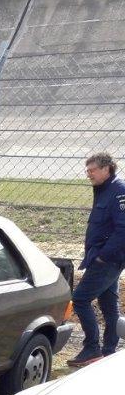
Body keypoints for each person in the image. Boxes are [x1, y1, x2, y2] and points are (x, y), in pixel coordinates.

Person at [67, 152, 125, 367]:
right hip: (105, 258)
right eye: (87, 170)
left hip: (108, 259)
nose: (88, 175)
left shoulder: (119, 190)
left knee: (80, 299)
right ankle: (109, 353)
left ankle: (92, 348)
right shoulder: (103, 189)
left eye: (92, 170)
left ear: (106, 169)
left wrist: (103, 256)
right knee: (109, 306)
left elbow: (123, 229)